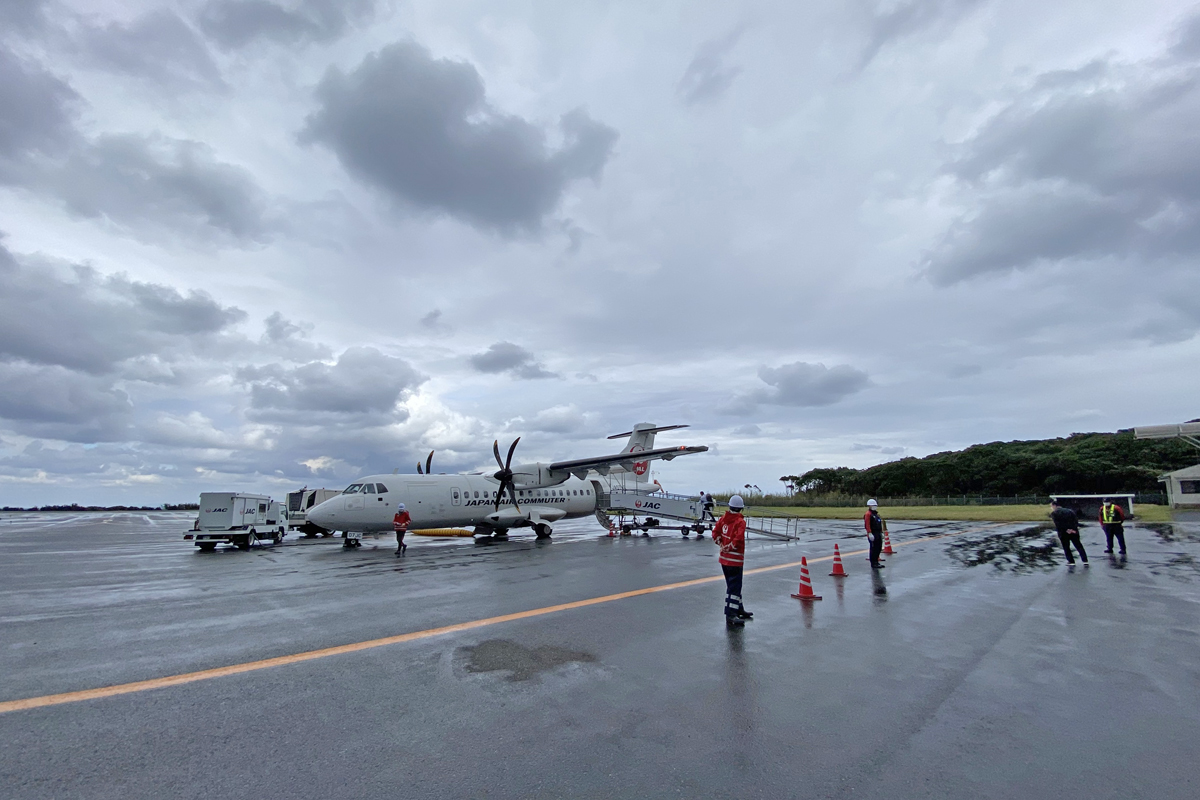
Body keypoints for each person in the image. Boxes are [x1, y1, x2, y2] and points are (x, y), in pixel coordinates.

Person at [713, 494, 750, 626]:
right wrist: (730, 547)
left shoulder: (723, 519)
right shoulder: (740, 522)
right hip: (735, 560)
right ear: (741, 509)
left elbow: (715, 533)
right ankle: (731, 614)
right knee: (734, 588)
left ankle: (739, 609)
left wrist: (721, 544)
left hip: (724, 560)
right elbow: (738, 538)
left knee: (732, 586)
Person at [1050, 500, 1088, 566]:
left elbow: (1058, 524)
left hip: (1063, 533)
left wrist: (1066, 529)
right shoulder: (1070, 511)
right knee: (1078, 545)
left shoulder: (1054, 513)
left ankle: (1071, 561)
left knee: (1066, 547)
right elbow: (1075, 521)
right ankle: (1085, 560)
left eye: (1051, 506)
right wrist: (1072, 529)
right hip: (1073, 531)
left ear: (1054, 505)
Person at [864, 499, 886, 569]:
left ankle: (876, 561)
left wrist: (881, 532)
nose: (874, 507)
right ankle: (873, 563)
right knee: (874, 548)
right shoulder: (868, 514)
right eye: (873, 505)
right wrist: (869, 533)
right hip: (873, 533)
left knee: (878, 548)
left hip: (878, 533)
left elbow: (879, 524)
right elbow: (867, 524)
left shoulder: (876, 514)